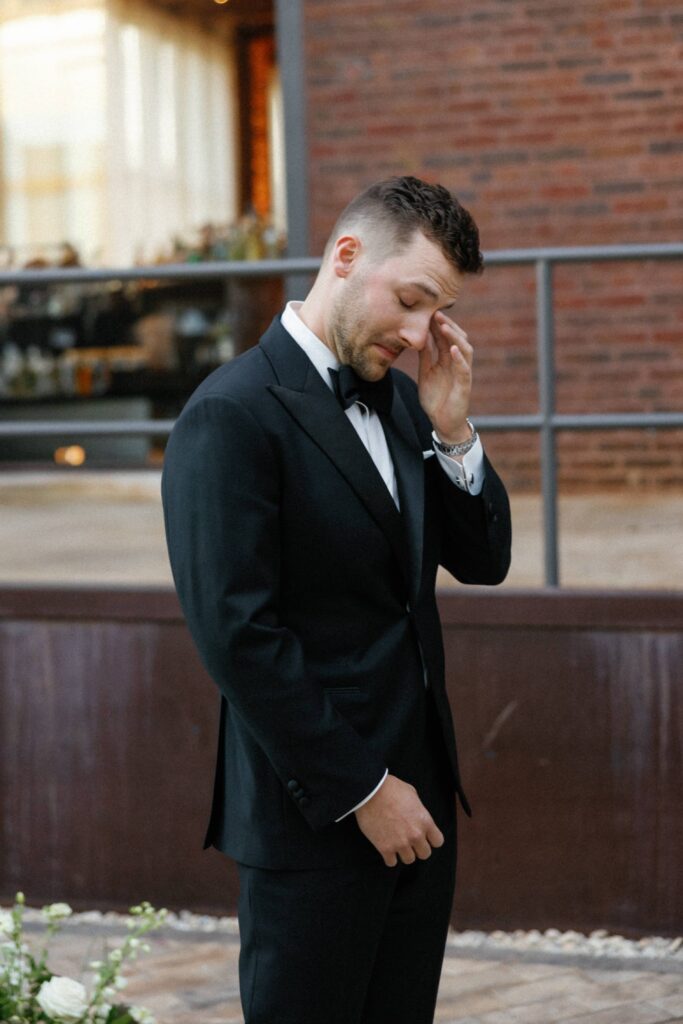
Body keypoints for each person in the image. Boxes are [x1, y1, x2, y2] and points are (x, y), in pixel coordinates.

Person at [161, 175, 511, 1024]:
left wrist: (454, 432)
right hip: (314, 818)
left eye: (437, 312)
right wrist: (364, 790)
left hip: (422, 807)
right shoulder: (229, 416)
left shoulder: (401, 396)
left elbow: (485, 562)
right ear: (347, 257)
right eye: (413, 300)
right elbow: (238, 636)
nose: (422, 332)